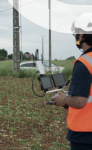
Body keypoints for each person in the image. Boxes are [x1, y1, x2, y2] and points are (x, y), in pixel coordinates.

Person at [51, 13, 92, 150]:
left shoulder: (84, 62)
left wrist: (65, 99)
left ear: (81, 36)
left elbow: (80, 101)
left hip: (85, 134)